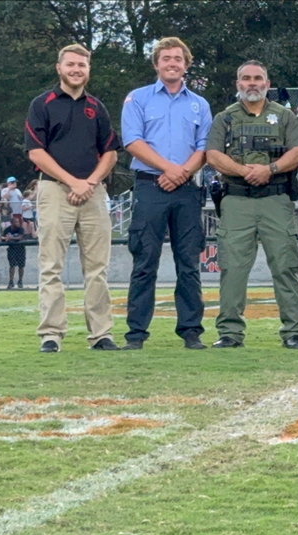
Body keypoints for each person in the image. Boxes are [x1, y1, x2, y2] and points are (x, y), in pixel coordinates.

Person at [204, 59, 298, 349]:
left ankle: (293, 332)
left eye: (258, 78)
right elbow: (212, 155)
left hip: (276, 199)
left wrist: (270, 170)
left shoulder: (285, 116)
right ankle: (230, 333)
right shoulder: (224, 118)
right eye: (246, 78)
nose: (252, 83)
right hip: (237, 200)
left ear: (268, 83)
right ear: (238, 84)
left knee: (285, 265)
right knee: (233, 268)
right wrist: (245, 171)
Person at [25, 43, 121, 353]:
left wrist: (90, 182)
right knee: (51, 265)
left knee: (97, 267)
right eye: (71, 65)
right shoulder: (43, 104)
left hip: (93, 192)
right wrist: (72, 182)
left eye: (82, 65)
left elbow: (110, 153)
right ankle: (51, 334)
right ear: (59, 68)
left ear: (88, 70)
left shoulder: (97, 106)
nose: (76, 69)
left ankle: (101, 334)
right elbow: (36, 152)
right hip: (54, 189)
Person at [121, 37, 212, 351]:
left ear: (186, 64)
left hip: (187, 190)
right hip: (150, 187)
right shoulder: (138, 99)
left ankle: (190, 332)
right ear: (156, 64)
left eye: (178, 58)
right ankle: (136, 335)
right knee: (145, 261)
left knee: (189, 263)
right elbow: (133, 141)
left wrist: (182, 173)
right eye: (166, 58)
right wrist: (168, 170)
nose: (172, 63)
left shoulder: (200, 104)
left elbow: (205, 147)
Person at [3, 214, 27, 289]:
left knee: (21, 266)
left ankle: (20, 281)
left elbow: (20, 237)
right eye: (16, 222)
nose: (17, 223)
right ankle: (11, 281)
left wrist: (11, 238)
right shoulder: (7, 230)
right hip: (11, 249)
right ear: (12, 223)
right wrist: (5, 238)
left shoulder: (21, 229)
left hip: (20, 249)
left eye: (18, 222)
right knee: (12, 266)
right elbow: (2, 237)